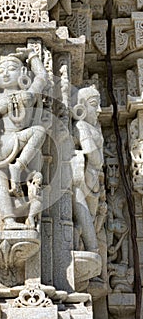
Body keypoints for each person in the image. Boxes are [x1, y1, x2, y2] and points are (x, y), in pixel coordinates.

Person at [0, 47, 48, 230]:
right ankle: (8, 219)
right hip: (0, 143)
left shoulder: (28, 94)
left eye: (11, 69)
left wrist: (31, 55)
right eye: (0, 71)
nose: (5, 74)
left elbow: (42, 77)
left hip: (16, 140)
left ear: (23, 73)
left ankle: (18, 167)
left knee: (38, 131)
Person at [72, 85, 103, 252]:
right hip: (84, 179)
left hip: (94, 180)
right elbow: (91, 152)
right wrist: (97, 161)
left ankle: (86, 246)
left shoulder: (94, 128)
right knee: (85, 217)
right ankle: (91, 249)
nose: (98, 110)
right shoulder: (81, 126)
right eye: (93, 104)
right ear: (81, 106)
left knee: (89, 218)